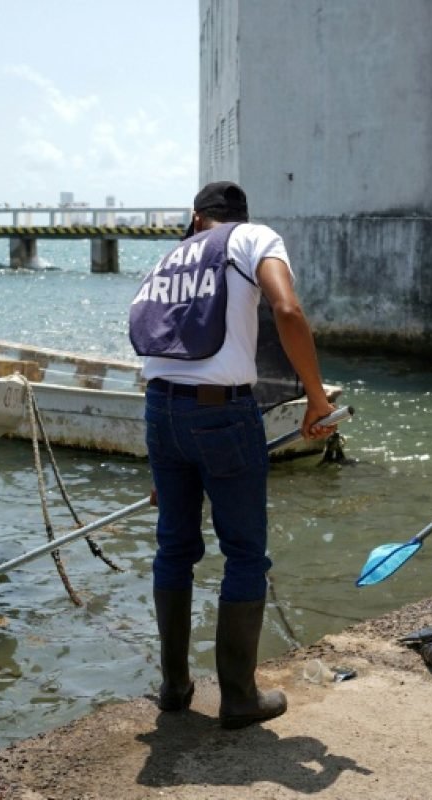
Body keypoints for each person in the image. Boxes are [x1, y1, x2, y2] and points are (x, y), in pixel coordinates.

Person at [128, 181, 335, 727]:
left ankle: (174, 688)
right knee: (244, 554)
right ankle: (238, 697)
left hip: (159, 411)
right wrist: (315, 397)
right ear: (240, 217)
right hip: (221, 413)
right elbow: (286, 310)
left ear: (197, 219)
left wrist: (165, 462)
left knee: (174, 549)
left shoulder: (169, 258)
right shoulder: (253, 238)